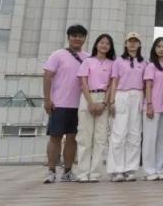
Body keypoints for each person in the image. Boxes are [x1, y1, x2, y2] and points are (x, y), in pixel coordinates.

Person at [43, 23, 88, 184]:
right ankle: (51, 171)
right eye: (74, 35)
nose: (77, 38)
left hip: (79, 105)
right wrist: (47, 99)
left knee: (72, 138)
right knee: (55, 137)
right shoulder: (58, 55)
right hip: (59, 104)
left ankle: (68, 171)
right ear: (68, 37)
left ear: (84, 39)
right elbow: (47, 77)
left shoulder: (88, 57)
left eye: (80, 36)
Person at [74, 33, 115, 182]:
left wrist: (105, 103)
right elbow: (83, 83)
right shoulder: (87, 61)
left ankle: (95, 173)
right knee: (85, 137)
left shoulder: (112, 63)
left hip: (104, 98)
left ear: (110, 47)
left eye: (107, 43)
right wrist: (90, 102)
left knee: (100, 138)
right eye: (101, 42)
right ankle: (82, 173)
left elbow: (112, 84)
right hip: (88, 97)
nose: (104, 45)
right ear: (96, 44)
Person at [107, 32, 146, 182]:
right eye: (130, 41)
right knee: (118, 133)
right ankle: (117, 170)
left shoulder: (144, 63)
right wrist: (111, 101)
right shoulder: (118, 61)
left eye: (135, 41)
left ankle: (130, 169)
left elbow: (146, 84)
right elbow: (114, 81)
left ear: (139, 44)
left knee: (134, 135)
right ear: (125, 43)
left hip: (138, 96)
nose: (133, 44)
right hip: (121, 95)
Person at [142, 37, 163, 180]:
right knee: (149, 139)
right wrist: (149, 104)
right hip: (152, 106)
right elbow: (148, 86)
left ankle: (159, 168)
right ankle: (149, 171)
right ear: (154, 48)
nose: (161, 49)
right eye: (158, 46)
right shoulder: (151, 65)